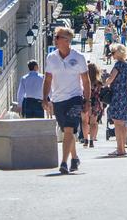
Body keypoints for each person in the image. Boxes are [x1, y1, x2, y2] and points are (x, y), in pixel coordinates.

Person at [42, 27, 91, 174]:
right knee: (66, 132)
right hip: (58, 99)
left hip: (75, 98)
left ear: (66, 40)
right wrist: (44, 98)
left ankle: (63, 162)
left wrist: (87, 100)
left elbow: (86, 80)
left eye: (57, 37)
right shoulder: (51, 57)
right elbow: (48, 79)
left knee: (69, 129)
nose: (54, 39)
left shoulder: (79, 57)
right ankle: (75, 157)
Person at [104, 43, 127, 156]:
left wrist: (104, 85)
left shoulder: (118, 65)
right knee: (122, 123)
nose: (112, 55)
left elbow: (111, 79)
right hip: (124, 96)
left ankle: (119, 149)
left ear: (118, 52)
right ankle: (122, 149)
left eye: (113, 52)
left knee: (117, 123)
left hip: (116, 96)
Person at [81, 63, 103, 148]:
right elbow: (100, 93)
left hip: (85, 101)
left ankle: (85, 139)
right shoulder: (98, 83)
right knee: (93, 123)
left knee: (84, 121)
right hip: (95, 103)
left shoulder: (84, 81)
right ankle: (91, 141)